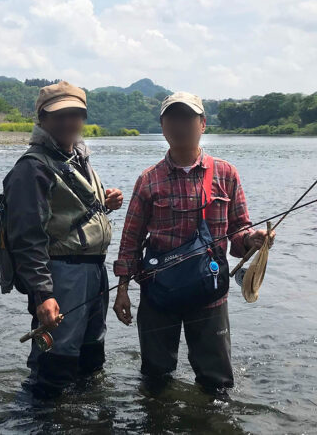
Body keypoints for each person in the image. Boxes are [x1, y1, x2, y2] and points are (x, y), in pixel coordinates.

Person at [111, 92, 274, 399]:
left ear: (203, 124)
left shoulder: (226, 174)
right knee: (155, 379)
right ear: (162, 126)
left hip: (209, 295)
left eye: (188, 117)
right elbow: (130, 240)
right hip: (158, 295)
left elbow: (239, 233)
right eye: (172, 118)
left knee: (217, 383)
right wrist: (122, 289)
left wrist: (254, 240)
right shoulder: (148, 180)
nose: (180, 124)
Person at [2, 81, 124, 398]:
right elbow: (26, 240)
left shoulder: (75, 157)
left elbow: (66, 209)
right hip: (61, 276)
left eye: (76, 114)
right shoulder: (32, 169)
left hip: (93, 272)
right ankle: (43, 420)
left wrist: (105, 200)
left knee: (90, 356)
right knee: (56, 361)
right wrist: (43, 294)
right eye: (60, 115)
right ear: (42, 119)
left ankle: (83, 418)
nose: (69, 122)